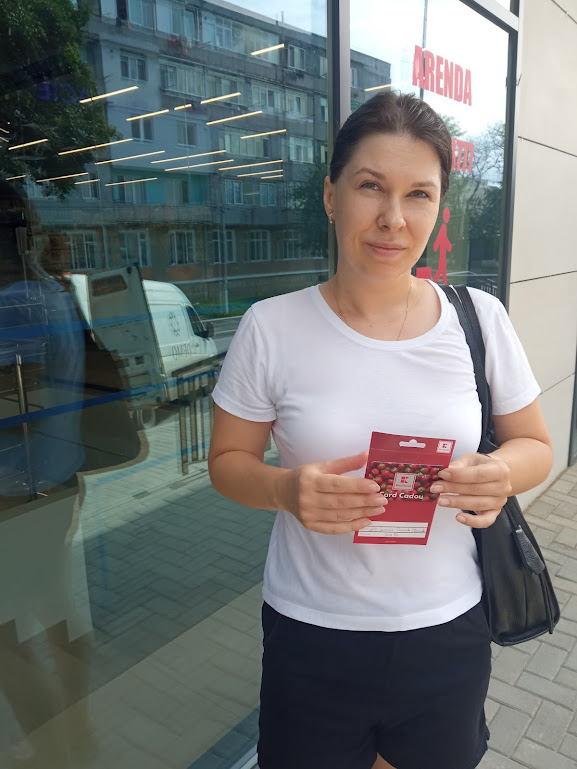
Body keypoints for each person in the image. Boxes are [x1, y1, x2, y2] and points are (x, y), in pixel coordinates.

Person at [207, 92, 553, 769]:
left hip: (447, 627)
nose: (393, 218)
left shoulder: (478, 319)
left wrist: (499, 472)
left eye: (418, 194)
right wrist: (284, 490)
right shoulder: (271, 326)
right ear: (331, 196)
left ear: (439, 208)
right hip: (312, 631)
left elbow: (535, 446)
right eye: (370, 186)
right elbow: (227, 461)